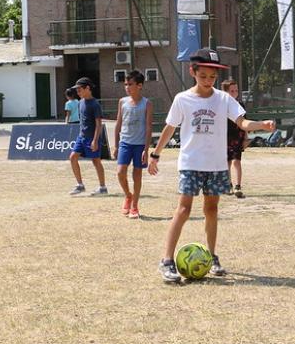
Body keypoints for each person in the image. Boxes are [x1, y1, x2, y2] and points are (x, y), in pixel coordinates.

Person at [148, 48, 276, 283]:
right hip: (190, 163)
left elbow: (242, 122)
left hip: (216, 165)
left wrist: (261, 124)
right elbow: (169, 127)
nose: (208, 81)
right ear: (193, 72)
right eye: (203, 76)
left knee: (211, 210)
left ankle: (212, 256)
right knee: (184, 209)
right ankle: (166, 260)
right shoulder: (182, 99)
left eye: (212, 77)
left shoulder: (224, 99)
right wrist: (155, 154)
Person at [113, 70, 153, 218]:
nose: (127, 87)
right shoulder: (122, 102)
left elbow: (149, 127)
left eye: (130, 84)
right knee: (120, 172)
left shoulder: (147, 104)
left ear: (139, 85)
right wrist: (116, 145)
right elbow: (118, 124)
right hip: (125, 143)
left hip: (139, 145)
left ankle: (135, 206)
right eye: (125, 84)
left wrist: (146, 149)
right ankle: (128, 195)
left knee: (137, 175)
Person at [68, 77, 108, 196]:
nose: (78, 92)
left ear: (88, 88)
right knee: (73, 157)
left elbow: (98, 124)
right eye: (77, 90)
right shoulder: (80, 102)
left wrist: (95, 140)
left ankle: (102, 187)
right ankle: (80, 185)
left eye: (80, 89)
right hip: (82, 136)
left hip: (92, 138)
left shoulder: (95, 104)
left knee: (96, 161)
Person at [222, 78, 248, 198]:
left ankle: (238, 186)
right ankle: (228, 185)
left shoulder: (240, 105)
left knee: (237, 161)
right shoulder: (221, 106)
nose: (234, 93)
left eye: (236, 91)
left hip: (238, 136)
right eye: (232, 91)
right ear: (226, 92)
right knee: (227, 162)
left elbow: (245, 122)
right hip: (225, 137)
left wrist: (246, 138)